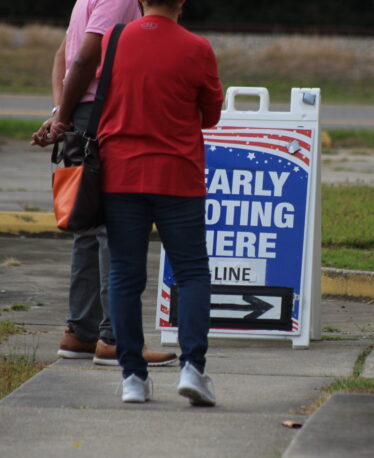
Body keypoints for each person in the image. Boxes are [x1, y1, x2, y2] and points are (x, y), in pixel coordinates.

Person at [30, 0, 176, 367]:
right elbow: (82, 60)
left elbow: (64, 55)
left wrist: (60, 114)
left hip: (82, 111)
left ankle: (80, 333)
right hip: (103, 113)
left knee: (88, 223)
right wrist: (63, 118)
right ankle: (115, 338)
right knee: (117, 225)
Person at [90, 0, 222, 405]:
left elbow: (102, 93)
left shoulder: (113, 40)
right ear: (182, 1)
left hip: (121, 175)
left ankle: (132, 377)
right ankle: (193, 369)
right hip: (177, 175)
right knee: (192, 273)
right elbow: (211, 115)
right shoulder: (197, 48)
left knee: (125, 276)